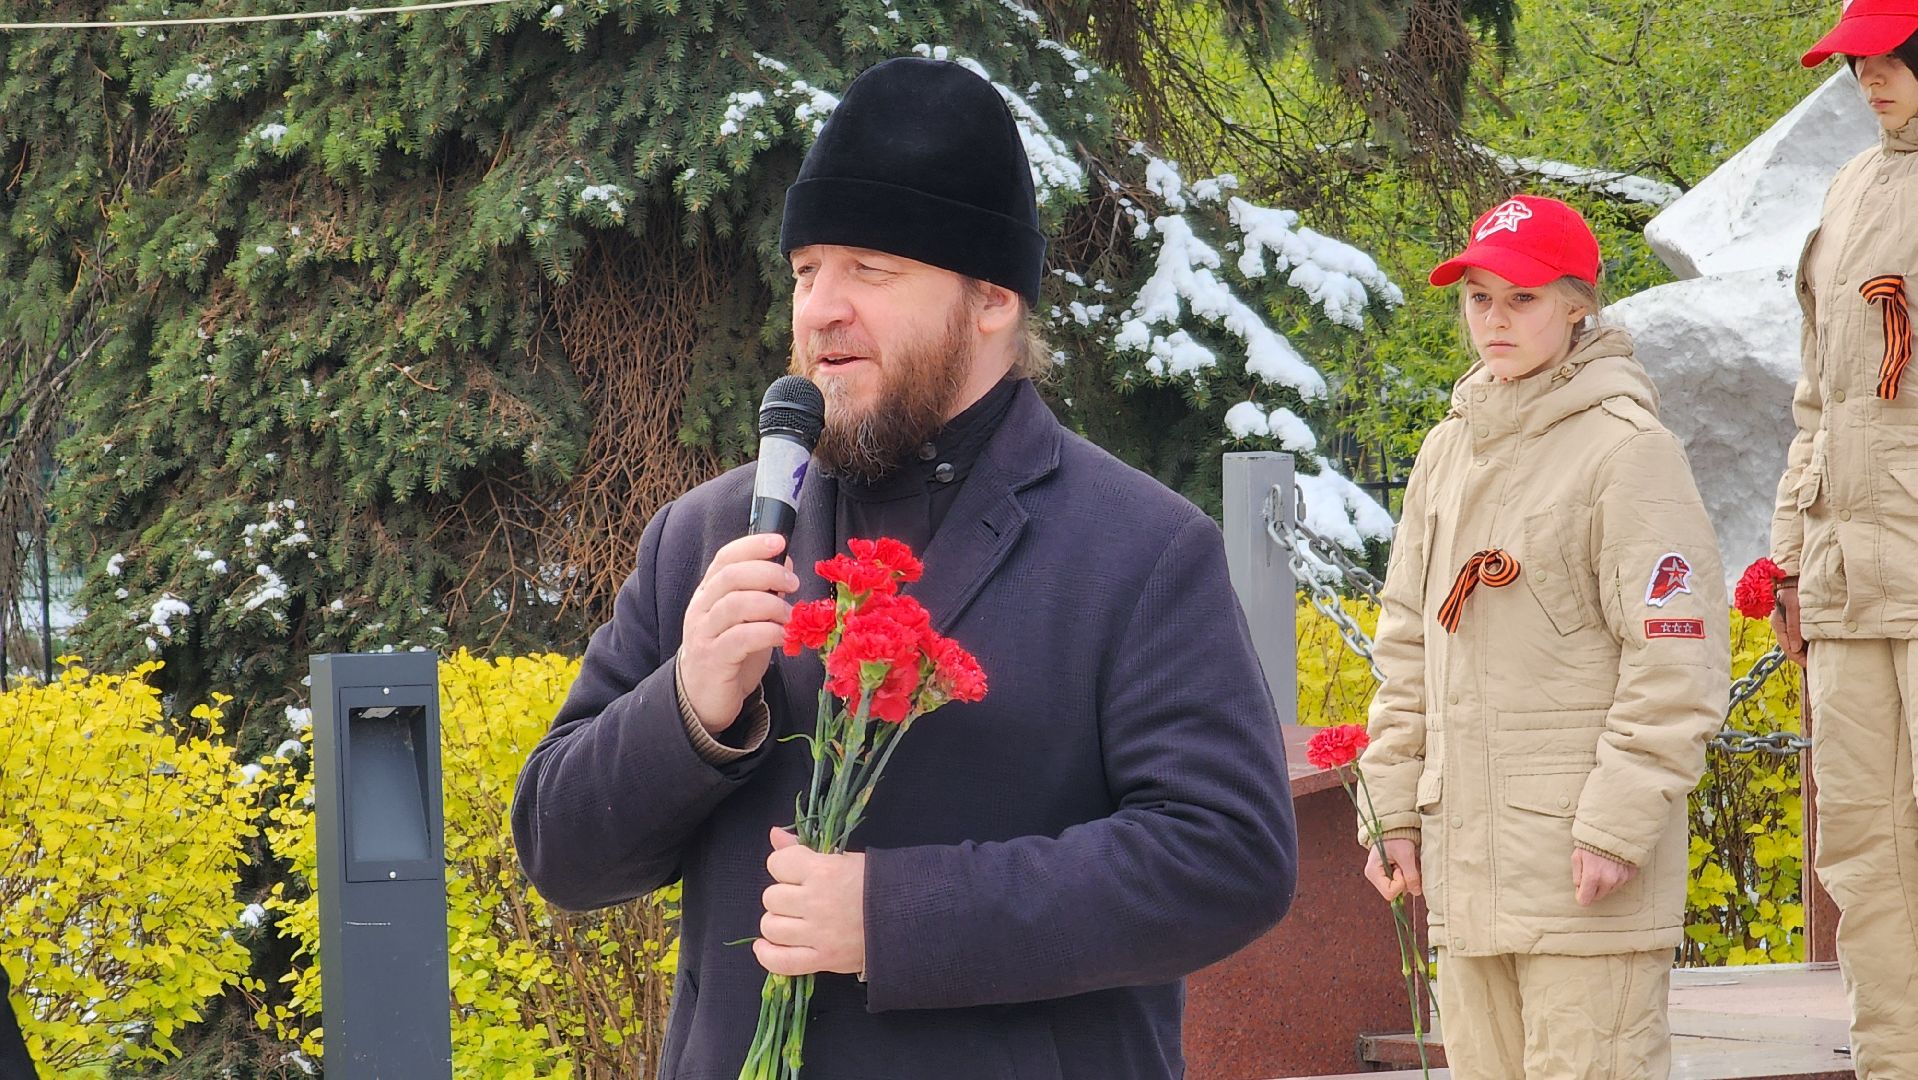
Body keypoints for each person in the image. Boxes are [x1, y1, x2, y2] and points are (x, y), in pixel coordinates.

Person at [511, 57, 1297, 1080]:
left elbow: (1225, 858)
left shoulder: (1139, 551)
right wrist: (690, 709)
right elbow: (563, 855)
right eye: (805, 271)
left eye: (869, 270)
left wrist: (891, 916)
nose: (820, 308)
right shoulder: (705, 537)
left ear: (992, 301)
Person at [1356, 194, 1727, 1079]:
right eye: (1478, 297)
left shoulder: (1629, 451)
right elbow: (1406, 646)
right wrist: (1393, 809)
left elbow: (1676, 662)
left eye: (1521, 298)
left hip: (1580, 869)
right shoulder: (1447, 450)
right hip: (1466, 871)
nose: (1494, 319)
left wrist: (1614, 827)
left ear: (1578, 304)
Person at [1770, 4, 1918, 1074]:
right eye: (1859, 61)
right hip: (1845, 569)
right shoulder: (1849, 187)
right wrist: (1786, 556)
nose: (1871, 76)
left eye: (1891, 57)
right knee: (1862, 846)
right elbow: (1815, 400)